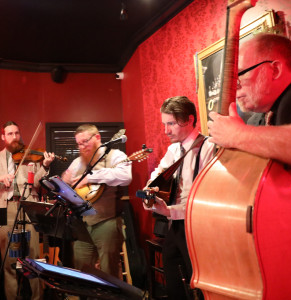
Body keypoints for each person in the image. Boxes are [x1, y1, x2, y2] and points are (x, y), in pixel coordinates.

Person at [143, 96, 215, 300]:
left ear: (189, 119)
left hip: (198, 227)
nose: (166, 130)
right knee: (174, 285)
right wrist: (149, 194)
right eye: (164, 124)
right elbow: (156, 177)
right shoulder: (174, 150)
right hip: (174, 226)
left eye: (171, 123)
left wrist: (170, 211)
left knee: (200, 285)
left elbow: (206, 197)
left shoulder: (209, 147)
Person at [207, 33, 291, 166]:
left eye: (239, 74)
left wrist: (237, 135)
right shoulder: (255, 120)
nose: (234, 86)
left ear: (275, 70)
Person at [62, 124, 132, 278]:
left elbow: (126, 176)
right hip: (82, 224)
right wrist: (64, 181)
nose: (82, 146)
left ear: (97, 137)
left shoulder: (115, 155)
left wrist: (90, 177)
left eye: (85, 141)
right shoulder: (78, 162)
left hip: (107, 222)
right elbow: (66, 181)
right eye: (79, 144)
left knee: (109, 271)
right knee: (82, 270)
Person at [0, 121, 55, 300]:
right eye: (10, 134)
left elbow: (37, 183)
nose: (14, 137)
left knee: (33, 257)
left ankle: (37, 297)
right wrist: (2, 179)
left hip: (28, 205)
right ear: (3, 137)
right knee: (9, 260)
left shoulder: (30, 156)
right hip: (5, 208)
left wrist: (45, 165)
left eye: (17, 133)